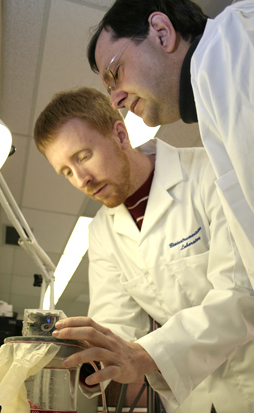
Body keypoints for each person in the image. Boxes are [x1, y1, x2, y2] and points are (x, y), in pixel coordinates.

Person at [34, 86, 254, 413]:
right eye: (66, 171)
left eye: (83, 156)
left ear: (120, 134)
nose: (81, 179)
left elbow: (241, 295)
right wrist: (80, 359)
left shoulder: (209, 174)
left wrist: (143, 354)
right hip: (192, 404)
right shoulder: (101, 231)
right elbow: (116, 326)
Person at [86, 0, 254, 292]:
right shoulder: (213, 100)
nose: (115, 101)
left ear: (161, 33)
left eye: (114, 75)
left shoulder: (236, 38)